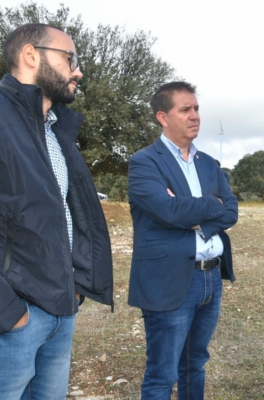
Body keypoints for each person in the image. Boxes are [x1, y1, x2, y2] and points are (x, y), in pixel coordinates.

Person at [0, 24, 113, 399]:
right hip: (14, 318)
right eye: (70, 59)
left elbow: (69, 215)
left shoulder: (56, 131)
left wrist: (75, 289)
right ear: (31, 55)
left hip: (60, 308)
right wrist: (10, 314)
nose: (78, 71)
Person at [128, 81, 238, 400]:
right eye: (185, 109)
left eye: (197, 109)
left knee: (195, 365)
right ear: (163, 117)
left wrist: (191, 212)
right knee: (162, 374)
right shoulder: (145, 162)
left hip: (211, 278)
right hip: (170, 279)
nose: (195, 116)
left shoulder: (209, 164)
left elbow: (230, 212)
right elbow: (167, 210)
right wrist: (210, 204)